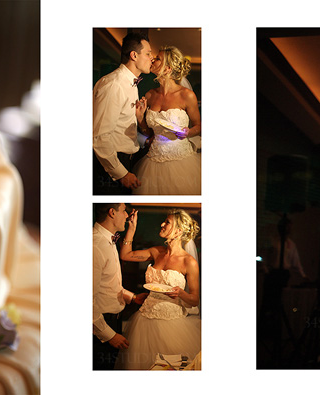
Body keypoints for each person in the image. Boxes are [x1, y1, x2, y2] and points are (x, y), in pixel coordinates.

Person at [115, 209, 201, 369]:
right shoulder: (156, 252)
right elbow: (125, 255)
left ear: (178, 231)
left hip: (172, 326)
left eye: (167, 222)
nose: (162, 224)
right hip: (145, 321)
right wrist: (131, 229)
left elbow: (195, 299)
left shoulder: (189, 262)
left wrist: (180, 293)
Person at [133, 45, 202, 195]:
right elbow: (148, 132)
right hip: (153, 161)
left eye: (158, 59)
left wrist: (188, 132)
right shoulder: (150, 95)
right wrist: (140, 118)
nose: (153, 60)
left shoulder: (186, 95)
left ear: (168, 68)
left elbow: (199, 126)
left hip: (182, 161)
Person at [93, 32, 153, 195]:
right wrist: (122, 174)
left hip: (126, 161)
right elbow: (100, 137)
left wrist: (145, 138)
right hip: (111, 166)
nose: (152, 58)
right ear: (134, 55)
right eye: (148, 54)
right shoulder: (114, 85)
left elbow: (123, 128)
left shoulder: (130, 83)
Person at [93, 203, 148, 370]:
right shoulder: (95, 246)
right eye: (124, 211)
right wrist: (109, 335)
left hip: (112, 321)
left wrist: (132, 297)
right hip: (99, 326)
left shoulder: (108, 240)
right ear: (112, 212)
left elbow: (108, 284)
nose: (126, 216)